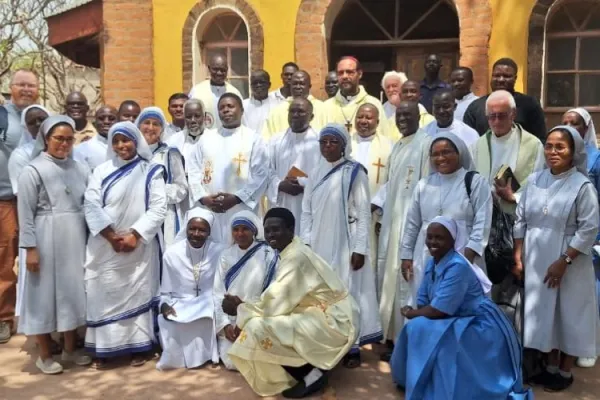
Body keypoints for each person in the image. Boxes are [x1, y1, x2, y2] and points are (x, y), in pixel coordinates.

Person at [391, 217, 531, 399]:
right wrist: (418, 312)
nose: (433, 242)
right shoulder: (432, 263)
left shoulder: (458, 267)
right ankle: (416, 381)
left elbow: (438, 311)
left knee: (421, 328)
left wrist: (412, 313)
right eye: (430, 237)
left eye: (439, 238)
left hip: (477, 321)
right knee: (416, 328)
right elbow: (424, 301)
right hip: (452, 316)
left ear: (452, 241)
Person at [225, 208, 359, 398]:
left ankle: (312, 375)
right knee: (272, 324)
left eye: (276, 230)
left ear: (291, 229)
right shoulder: (290, 250)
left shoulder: (296, 257)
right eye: (267, 230)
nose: (271, 235)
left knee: (257, 327)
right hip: (324, 311)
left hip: (336, 319)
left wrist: (240, 310)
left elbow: (274, 303)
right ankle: (313, 367)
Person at [514, 125, 600, 392]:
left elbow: (589, 228)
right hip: (537, 255)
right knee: (545, 313)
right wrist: (518, 255)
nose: (552, 152)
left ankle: (564, 371)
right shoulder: (534, 180)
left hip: (571, 260)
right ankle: (549, 367)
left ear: (573, 151)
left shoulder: (582, 186)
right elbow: (520, 219)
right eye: (549, 146)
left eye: (560, 147)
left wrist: (564, 260)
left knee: (569, 313)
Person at [83, 121, 167, 368]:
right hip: (104, 245)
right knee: (102, 291)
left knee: (137, 292)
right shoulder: (101, 170)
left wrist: (136, 235)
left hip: (138, 247)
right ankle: (103, 349)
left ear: (136, 141)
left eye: (126, 140)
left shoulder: (152, 170)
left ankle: (138, 347)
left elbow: (158, 207)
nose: (121, 146)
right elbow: (91, 204)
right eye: (116, 141)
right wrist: (111, 237)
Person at [301, 123, 382, 368]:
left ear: (343, 145)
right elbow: (306, 211)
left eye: (333, 141)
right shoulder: (315, 172)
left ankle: (353, 346)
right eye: (323, 142)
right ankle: (329, 342)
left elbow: (365, 213)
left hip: (346, 242)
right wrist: (305, 244)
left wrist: (360, 249)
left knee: (349, 293)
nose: (327, 146)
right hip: (318, 244)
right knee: (322, 295)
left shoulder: (355, 172)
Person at [17, 115, 92, 374]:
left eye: (70, 139)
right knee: (43, 295)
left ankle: (71, 348)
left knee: (72, 292)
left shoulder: (80, 168)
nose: (64, 144)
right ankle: (45, 354)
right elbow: (25, 214)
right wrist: (30, 249)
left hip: (75, 238)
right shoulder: (33, 170)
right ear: (46, 139)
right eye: (59, 138)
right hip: (44, 236)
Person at [400, 133, 493, 321]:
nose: (440, 158)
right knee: (426, 303)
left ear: (459, 152)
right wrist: (406, 254)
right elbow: (412, 223)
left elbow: (483, 222)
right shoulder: (424, 184)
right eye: (435, 154)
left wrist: (465, 259)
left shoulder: (474, 182)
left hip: (462, 254)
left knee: (459, 307)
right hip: (426, 253)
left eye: (446, 152)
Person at [373, 101, 433, 358]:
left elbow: (428, 187)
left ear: (418, 117)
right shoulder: (398, 145)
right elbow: (391, 186)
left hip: (413, 226)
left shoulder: (425, 144)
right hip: (391, 223)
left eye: (408, 115)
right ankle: (391, 336)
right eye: (399, 116)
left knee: (407, 282)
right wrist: (375, 206)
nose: (402, 120)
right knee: (389, 278)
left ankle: (405, 342)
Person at [187, 93, 269, 243]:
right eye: (221, 108)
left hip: (241, 209)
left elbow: (261, 174)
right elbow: (193, 170)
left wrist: (236, 198)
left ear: (241, 110)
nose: (226, 110)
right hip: (210, 210)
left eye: (230, 106)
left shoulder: (253, 139)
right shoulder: (206, 138)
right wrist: (203, 198)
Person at [0, 68, 39, 344]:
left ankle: (35, 314)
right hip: (5, 197)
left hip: (36, 200)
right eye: (21, 85)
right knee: (5, 257)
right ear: (10, 87)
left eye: (31, 85)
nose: (26, 89)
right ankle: (4, 317)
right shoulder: (3, 116)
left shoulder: (40, 115)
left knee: (34, 257)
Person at [156, 208, 223, 370]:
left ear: (209, 232)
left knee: (208, 315)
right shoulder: (172, 254)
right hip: (181, 301)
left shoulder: (220, 252)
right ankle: (178, 360)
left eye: (202, 230)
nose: (196, 233)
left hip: (209, 300)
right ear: (186, 228)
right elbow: (165, 291)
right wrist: (164, 305)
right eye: (192, 228)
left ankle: (207, 356)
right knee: (171, 321)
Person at [213, 210, 278, 370]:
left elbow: (273, 292)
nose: (240, 233)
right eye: (236, 229)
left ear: (254, 231)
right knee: (232, 362)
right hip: (231, 319)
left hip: (257, 316)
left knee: (258, 356)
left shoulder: (268, 254)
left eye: (245, 229)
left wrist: (249, 317)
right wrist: (225, 325)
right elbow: (217, 292)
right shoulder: (225, 255)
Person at [562, 109, 600, 369]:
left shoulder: (596, 158)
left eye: (575, 123)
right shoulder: (558, 153)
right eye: (565, 123)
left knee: (589, 294)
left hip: (592, 234)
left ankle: (589, 345)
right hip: (563, 233)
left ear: (587, 128)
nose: (570, 127)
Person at [471, 90, 545, 215]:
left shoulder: (533, 145)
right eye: (492, 116)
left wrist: (514, 197)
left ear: (513, 114)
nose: (496, 122)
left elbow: (540, 185)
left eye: (502, 116)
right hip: (486, 216)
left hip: (518, 216)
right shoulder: (477, 147)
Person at [350, 104, 393, 275]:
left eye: (368, 118)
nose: (363, 121)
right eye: (360, 117)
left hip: (374, 214)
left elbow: (392, 180)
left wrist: (375, 204)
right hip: (349, 213)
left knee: (371, 263)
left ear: (377, 121)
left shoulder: (388, 146)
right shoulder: (346, 142)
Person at [267, 98, 320, 234]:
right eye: (292, 111)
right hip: (282, 202)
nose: (295, 115)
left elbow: (325, 175)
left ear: (311, 116)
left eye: (301, 111)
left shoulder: (320, 142)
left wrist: (304, 184)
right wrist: (279, 185)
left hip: (308, 205)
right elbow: (266, 171)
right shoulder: (275, 141)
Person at [136, 107, 188, 246]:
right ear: (138, 126)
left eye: (156, 124)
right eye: (146, 122)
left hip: (165, 218)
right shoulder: (131, 154)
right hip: (136, 216)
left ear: (162, 128)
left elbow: (182, 188)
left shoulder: (170, 153)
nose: (150, 127)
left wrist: (156, 192)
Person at [464, 58, 547, 141]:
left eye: (506, 76)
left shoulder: (529, 105)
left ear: (515, 78)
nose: (501, 80)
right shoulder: (475, 107)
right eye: (496, 75)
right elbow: (467, 139)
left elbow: (540, 138)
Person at [324, 57, 393, 140]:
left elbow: (385, 139)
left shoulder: (374, 103)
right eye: (340, 73)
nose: (344, 76)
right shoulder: (326, 106)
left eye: (349, 72)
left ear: (360, 74)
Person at [262, 70, 327, 140]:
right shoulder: (276, 111)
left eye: (302, 84)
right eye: (295, 84)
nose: (298, 87)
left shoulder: (323, 108)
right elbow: (266, 140)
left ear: (309, 86)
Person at [189, 53, 242, 130]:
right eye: (215, 69)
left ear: (227, 70)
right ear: (209, 68)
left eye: (223, 70)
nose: (219, 73)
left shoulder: (234, 92)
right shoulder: (197, 91)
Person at [8, 105, 50, 194]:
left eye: (42, 119)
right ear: (26, 128)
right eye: (31, 122)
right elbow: (22, 193)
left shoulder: (65, 147)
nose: (38, 124)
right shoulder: (20, 155)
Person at [166, 98, 208, 170]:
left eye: (197, 116)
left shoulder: (213, 139)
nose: (193, 120)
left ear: (204, 117)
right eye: (188, 117)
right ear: (184, 118)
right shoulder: (173, 141)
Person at [73, 105, 118, 171]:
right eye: (101, 118)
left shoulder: (127, 148)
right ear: (95, 122)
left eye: (111, 118)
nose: (106, 122)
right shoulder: (81, 150)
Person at [242, 70, 279, 134]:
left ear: (269, 84)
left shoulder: (278, 105)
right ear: (250, 86)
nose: (258, 85)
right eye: (255, 83)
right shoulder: (242, 106)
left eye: (262, 82)